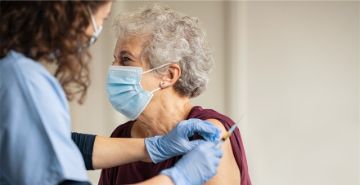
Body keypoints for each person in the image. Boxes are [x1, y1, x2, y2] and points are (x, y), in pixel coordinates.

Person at [0, 1, 223, 185]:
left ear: (169, 75)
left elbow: (58, 146)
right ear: (77, 14)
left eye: (125, 60)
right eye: (101, 19)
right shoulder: (22, 80)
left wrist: (152, 148)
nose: (94, 32)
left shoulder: (208, 130)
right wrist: (176, 179)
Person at [98, 4, 252, 185]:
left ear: (169, 75)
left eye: (125, 60)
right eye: (114, 60)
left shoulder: (207, 134)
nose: (114, 69)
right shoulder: (120, 137)